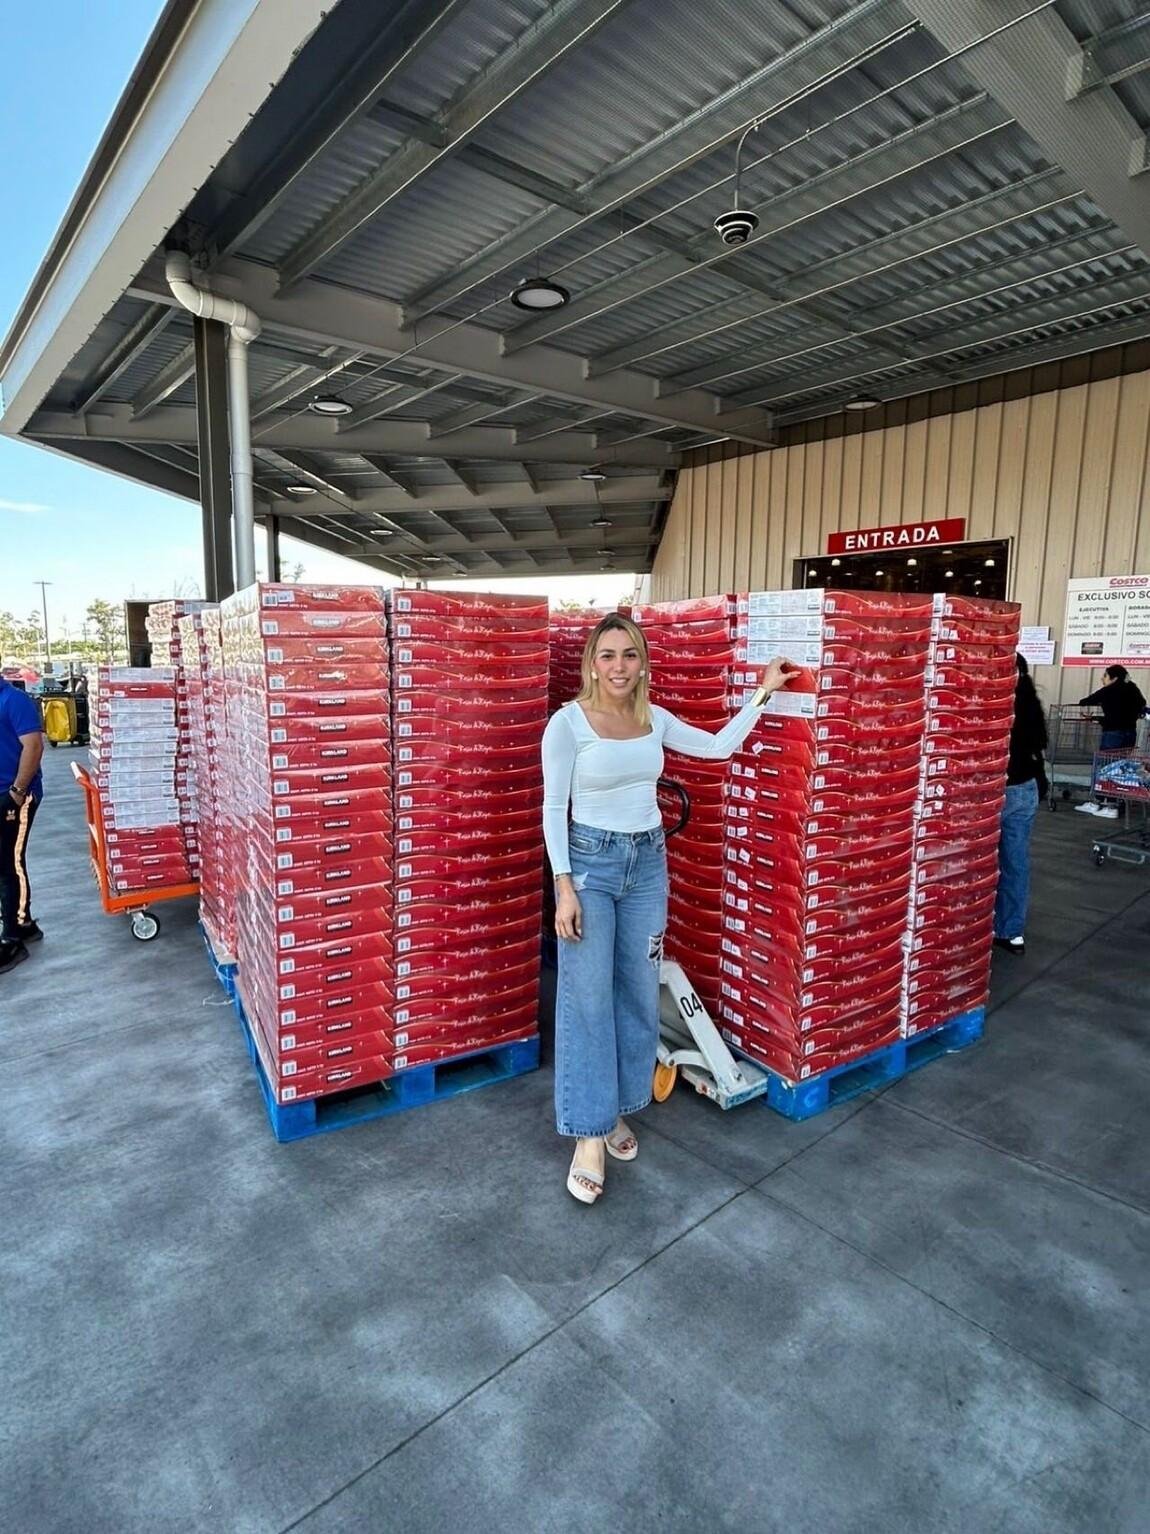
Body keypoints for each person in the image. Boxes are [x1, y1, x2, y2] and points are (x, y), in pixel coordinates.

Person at [541, 613, 797, 1204]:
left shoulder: (653, 719)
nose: (619, 667)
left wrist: (762, 692)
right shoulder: (568, 724)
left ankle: (614, 1110)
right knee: (587, 999)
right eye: (608, 655)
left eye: (629, 655)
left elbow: (717, 747)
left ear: (642, 663)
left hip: (648, 864)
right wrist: (563, 887)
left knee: (637, 991)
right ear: (592, 664)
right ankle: (588, 1134)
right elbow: (554, 808)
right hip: (589, 867)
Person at [994, 654, 1047, 957]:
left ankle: (976, 925)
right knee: (1015, 862)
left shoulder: (1000, 703)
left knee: (981, 862)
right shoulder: (1031, 702)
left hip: (999, 790)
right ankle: (1011, 931)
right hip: (1027, 789)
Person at [0, 673, 46, 973]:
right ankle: (24, 922)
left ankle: (14, 935)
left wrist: (16, 793)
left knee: (9, 862)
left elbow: (33, 746)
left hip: (16, 795)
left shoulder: (14, 700)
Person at [1075, 665, 1147, 819]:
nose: (1102, 679)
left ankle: (1103, 803)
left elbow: (1085, 701)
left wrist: (1097, 712)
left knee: (1105, 768)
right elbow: (1141, 704)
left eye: (1105, 676)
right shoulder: (1132, 689)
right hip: (1130, 733)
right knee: (1120, 769)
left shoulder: (1109, 690)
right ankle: (1114, 802)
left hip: (1113, 734)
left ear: (1114, 678)